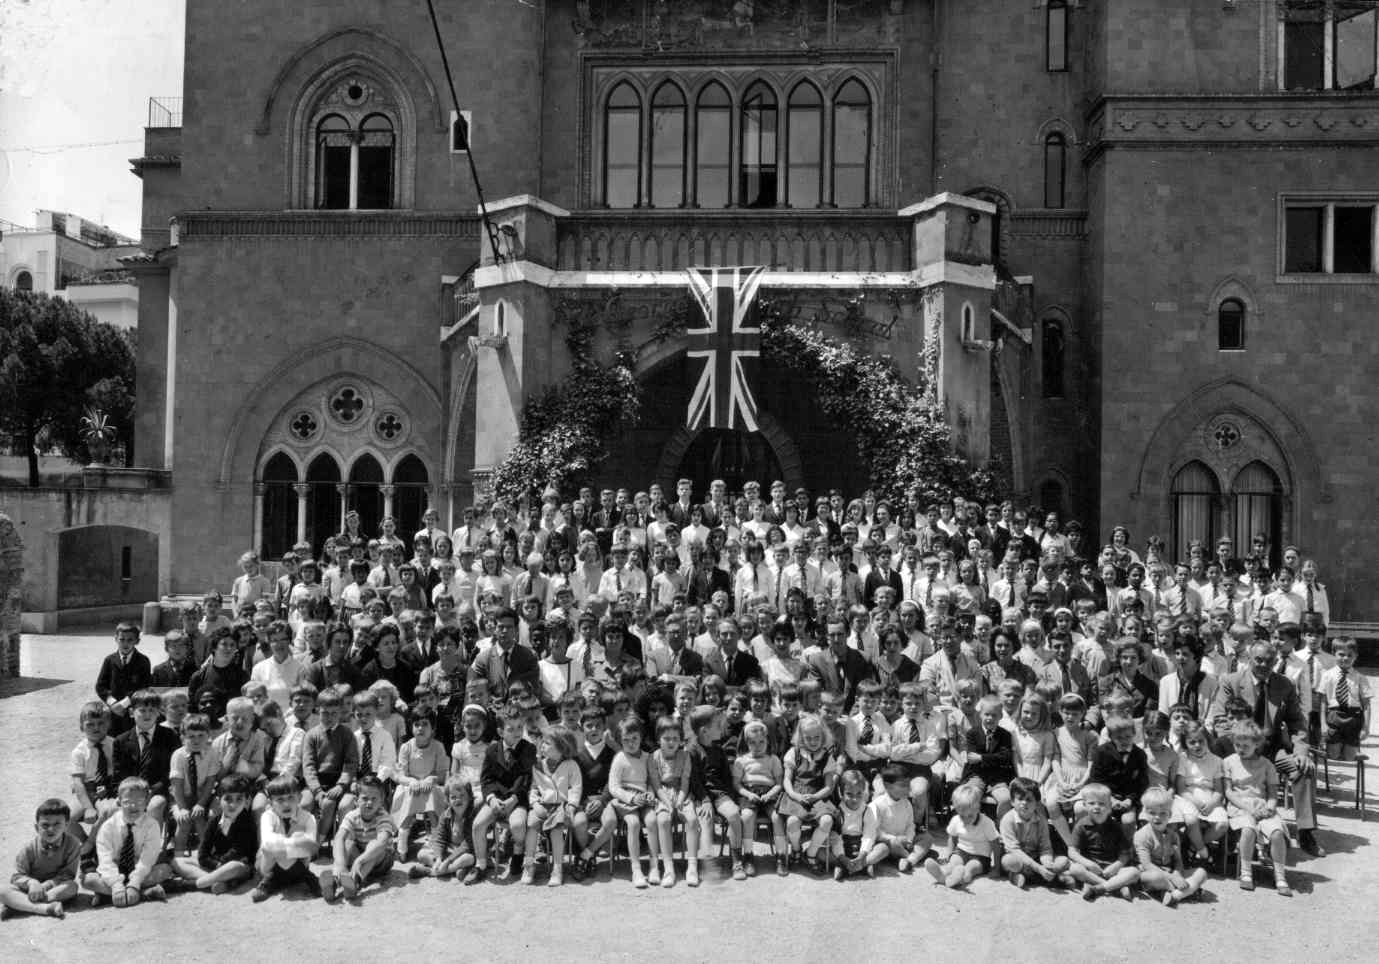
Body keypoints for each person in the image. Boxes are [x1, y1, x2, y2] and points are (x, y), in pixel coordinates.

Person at [1211, 639, 1322, 856]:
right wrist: (1240, 750)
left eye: (1269, 661)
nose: (1263, 665)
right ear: (1250, 659)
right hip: (1240, 746)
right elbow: (1220, 720)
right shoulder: (1231, 681)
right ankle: (1238, 832)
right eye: (1258, 660)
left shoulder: (1285, 684)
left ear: (1275, 661)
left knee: (1304, 770)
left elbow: (1297, 722)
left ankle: (1306, 831)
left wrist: (1301, 752)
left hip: (1272, 748)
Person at [1223, 720, 1292, 895]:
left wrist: (1269, 808)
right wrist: (1247, 808)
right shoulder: (1229, 762)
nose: (1240, 749)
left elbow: (1272, 794)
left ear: (1256, 744)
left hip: (1262, 807)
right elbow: (1229, 792)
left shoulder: (1267, 765)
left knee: (1276, 833)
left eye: (1245, 745)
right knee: (1248, 829)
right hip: (1240, 806)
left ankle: (1280, 875)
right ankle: (1246, 872)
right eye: (1237, 745)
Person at [467, 705, 535, 884]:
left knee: (518, 825)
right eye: (511, 729)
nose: (517, 732)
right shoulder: (491, 750)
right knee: (478, 825)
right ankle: (480, 864)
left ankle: (518, 851)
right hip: (496, 799)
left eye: (520, 727)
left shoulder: (528, 749)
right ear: (500, 731)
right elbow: (486, 779)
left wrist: (513, 799)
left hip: (517, 799)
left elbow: (525, 778)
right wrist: (491, 799)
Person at [83, 777, 172, 907]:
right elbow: (105, 859)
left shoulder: (152, 825)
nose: (133, 806)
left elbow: (147, 858)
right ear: (119, 802)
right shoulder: (108, 826)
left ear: (147, 802)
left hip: (140, 870)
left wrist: (135, 883)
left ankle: (108, 895)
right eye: (127, 802)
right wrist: (115, 884)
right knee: (88, 880)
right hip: (114, 869)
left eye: (140, 801)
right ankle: (144, 893)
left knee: (165, 870)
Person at [170, 773, 255, 894]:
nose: (233, 804)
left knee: (233, 866)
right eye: (228, 799)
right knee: (177, 861)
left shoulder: (247, 822)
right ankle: (217, 883)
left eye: (239, 799)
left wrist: (220, 864)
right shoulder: (214, 821)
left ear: (247, 800)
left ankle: (195, 884)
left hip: (239, 866)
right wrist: (216, 864)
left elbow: (239, 852)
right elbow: (203, 853)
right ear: (219, 800)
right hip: (216, 865)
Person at [0, 799, 81, 918]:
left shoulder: (73, 844)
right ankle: (46, 908)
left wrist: (45, 886)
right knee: (2, 890)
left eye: (57, 824)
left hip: (54, 889)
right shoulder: (29, 848)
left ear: (66, 825)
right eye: (45, 825)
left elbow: (68, 875)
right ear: (36, 827)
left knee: (72, 887)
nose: (51, 829)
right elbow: (16, 876)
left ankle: (18, 905)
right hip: (29, 890)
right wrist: (32, 882)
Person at [523, 725, 582, 887]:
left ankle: (557, 868)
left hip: (560, 806)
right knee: (532, 825)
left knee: (556, 830)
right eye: (542, 742)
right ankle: (529, 864)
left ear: (561, 747)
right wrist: (534, 804)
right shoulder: (538, 766)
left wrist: (571, 805)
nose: (542, 746)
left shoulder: (571, 765)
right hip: (542, 805)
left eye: (547, 743)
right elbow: (533, 789)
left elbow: (575, 788)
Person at [778, 714, 838, 873]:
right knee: (792, 822)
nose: (813, 741)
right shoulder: (794, 753)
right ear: (801, 737)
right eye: (808, 738)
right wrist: (794, 795)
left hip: (818, 797)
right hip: (796, 796)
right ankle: (796, 850)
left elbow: (829, 786)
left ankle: (810, 854)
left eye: (817, 737)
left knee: (826, 821)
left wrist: (816, 796)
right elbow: (787, 780)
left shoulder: (827, 756)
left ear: (823, 736)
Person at [321, 775, 395, 901]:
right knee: (347, 843)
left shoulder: (383, 816)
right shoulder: (352, 815)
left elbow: (382, 843)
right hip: (360, 855)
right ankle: (335, 880)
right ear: (356, 800)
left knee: (374, 845)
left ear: (381, 800)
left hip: (381, 860)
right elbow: (339, 837)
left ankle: (355, 882)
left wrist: (359, 860)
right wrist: (340, 864)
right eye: (365, 798)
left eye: (374, 799)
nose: (369, 803)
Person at [301, 688, 359, 847]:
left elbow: (351, 763)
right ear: (317, 710)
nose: (329, 717)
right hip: (318, 782)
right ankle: (305, 841)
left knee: (344, 804)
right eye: (325, 713)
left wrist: (341, 785)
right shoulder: (311, 735)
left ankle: (338, 843)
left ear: (341, 712)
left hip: (341, 782)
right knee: (304, 804)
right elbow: (308, 765)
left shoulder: (347, 734)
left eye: (334, 713)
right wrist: (317, 790)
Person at [1063, 783, 1139, 901]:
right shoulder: (1082, 825)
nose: (1096, 807)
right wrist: (1088, 864)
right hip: (1091, 868)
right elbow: (1072, 852)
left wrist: (1116, 866)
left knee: (1134, 872)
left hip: (1112, 869)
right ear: (1084, 805)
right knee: (1074, 869)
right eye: (1091, 803)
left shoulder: (1116, 826)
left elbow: (1125, 854)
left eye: (1102, 803)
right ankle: (1115, 886)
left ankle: (1099, 888)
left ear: (1109, 807)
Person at [608, 716, 658, 888]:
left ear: (641, 737)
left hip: (643, 797)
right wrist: (630, 798)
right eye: (626, 740)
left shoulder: (647, 757)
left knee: (652, 821)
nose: (631, 743)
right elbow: (613, 787)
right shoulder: (620, 758)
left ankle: (654, 865)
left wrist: (651, 793)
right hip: (626, 800)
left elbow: (652, 781)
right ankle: (636, 869)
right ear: (620, 741)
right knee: (634, 824)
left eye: (634, 738)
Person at [1134, 786, 1208, 905]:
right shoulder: (1141, 835)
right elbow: (1147, 865)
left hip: (1169, 871)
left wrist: (1177, 873)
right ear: (1145, 813)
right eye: (1152, 813)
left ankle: (1175, 895)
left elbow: (1178, 861)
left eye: (1163, 813)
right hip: (1150, 873)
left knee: (1201, 873)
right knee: (1156, 878)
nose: (1157, 817)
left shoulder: (1173, 835)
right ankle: (1187, 891)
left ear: (1170, 814)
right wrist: (1172, 878)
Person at [391, 709, 450, 859]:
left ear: (433, 728)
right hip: (410, 787)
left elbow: (442, 774)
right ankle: (403, 838)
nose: (420, 728)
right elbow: (400, 775)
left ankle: (435, 837)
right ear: (412, 727)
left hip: (431, 786)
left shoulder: (438, 747)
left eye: (425, 724)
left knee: (430, 794)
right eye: (417, 724)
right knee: (411, 793)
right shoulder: (406, 747)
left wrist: (431, 779)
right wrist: (411, 781)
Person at [733, 719, 788, 877]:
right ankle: (749, 855)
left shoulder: (773, 759)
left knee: (778, 817)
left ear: (767, 741)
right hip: (749, 792)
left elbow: (779, 783)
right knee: (747, 816)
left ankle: (781, 856)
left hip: (770, 792)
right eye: (752, 742)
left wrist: (769, 794)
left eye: (761, 742)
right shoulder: (741, 761)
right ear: (746, 743)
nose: (757, 746)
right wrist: (749, 794)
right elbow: (737, 785)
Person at [253, 775, 321, 901]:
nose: (286, 804)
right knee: (268, 848)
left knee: (280, 846)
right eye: (279, 800)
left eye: (291, 797)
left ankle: (273, 881)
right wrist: (296, 841)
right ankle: (305, 877)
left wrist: (284, 845)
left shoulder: (308, 817)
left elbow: (310, 848)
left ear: (299, 797)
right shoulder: (267, 816)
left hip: (298, 864)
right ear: (270, 803)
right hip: (269, 865)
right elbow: (268, 842)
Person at [923, 782, 1001, 890]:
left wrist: (997, 867)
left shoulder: (987, 823)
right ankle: (942, 874)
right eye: (962, 816)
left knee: (971, 867)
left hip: (981, 857)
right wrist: (949, 855)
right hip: (961, 851)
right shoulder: (956, 820)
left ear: (978, 808)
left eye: (970, 816)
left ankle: (961, 878)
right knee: (954, 862)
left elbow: (996, 845)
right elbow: (952, 837)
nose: (966, 819)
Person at [999, 776, 1070, 888]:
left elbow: (1045, 847)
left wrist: (1047, 864)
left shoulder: (1041, 820)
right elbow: (1014, 849)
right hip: (1018, 858)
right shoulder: (1008, 820)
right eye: (1020, 799)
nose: (1024, 803)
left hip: (1035, 856)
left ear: (1037, 803)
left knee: (1063, 861)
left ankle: (1029, 876)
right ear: (1012, 802)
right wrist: (1038, 868)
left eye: (1029, 799)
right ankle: (1018, 874)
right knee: (1008, 861)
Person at [167, 713, 218, 854]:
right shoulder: (179, 755)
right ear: (183, 738)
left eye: (201, 735)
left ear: (208, 735)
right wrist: (183, 808)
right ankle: (178, 856)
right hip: (179, 799)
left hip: (202, 797)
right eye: (191, 736)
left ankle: (204, 854)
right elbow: (176, 786)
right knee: (184, 821)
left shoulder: (212, 753)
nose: (196, 740)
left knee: (200, 820)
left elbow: (210, 782)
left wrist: (201, 804)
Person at [1089, 716, 1149, 827]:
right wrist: (1110, 798)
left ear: (1134, 734)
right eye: (1119, 738)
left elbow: (1142, 782)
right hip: (1104, 797)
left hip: (1129, 799)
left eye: (1127, 736)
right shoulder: (1101, 752)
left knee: (1128, 820)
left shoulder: (1139, 754)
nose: (1124, 741)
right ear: (1111, 737)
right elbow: (1096, 779)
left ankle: (1127, 844)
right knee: (1101, 817)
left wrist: (1130, 800)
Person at [94, 622, 152, 735]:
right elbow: (100, 686)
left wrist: (124, 703)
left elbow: (143, 687)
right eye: (122, 639)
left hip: (133, 709)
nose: (125, 643)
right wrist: (113, 703)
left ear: (137, 641)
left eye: (130, 640)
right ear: (116, 639)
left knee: (131, 739)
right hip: (113, 710)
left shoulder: (143, 661)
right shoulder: (109, 660)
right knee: (112, 739)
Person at [1319, 635, 1371, 760]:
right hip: (1334, 716)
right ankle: (1328, 746)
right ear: (1334, 654)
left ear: (1356, 656)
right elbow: (1323, 702)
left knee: (1349, 757)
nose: (1345, 658)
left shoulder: (1360, 678)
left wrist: (1366, 727)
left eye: (1350, 655)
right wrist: (1323, 724)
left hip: (1353, 718)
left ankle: (1350, 750)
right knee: (1334, 755)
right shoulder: (1327, 675)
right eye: (1341, 654)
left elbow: (1366, 705)